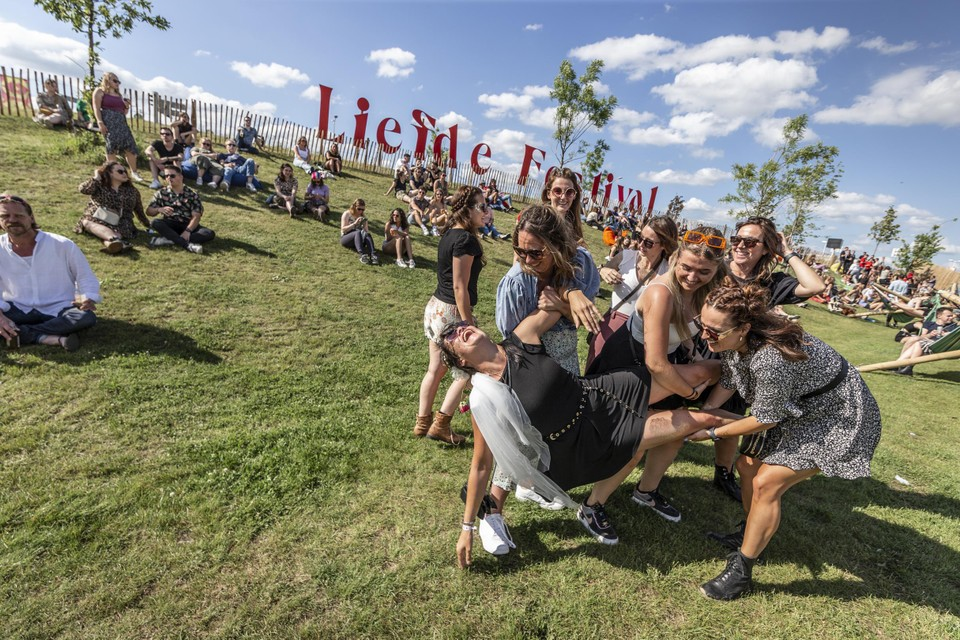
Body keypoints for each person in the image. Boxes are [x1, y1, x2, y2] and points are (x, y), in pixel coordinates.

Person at [445, 315, 725, 567]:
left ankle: (745, 370)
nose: (460, 331)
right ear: (462, 362)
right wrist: (466, 527)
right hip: (579, 440)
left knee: (702, 372)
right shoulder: (485, 398)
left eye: (460, 326)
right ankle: (760, 423)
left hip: (601, 394)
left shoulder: (522, 338)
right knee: (697, 421)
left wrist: (574, 293)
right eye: (452, 337)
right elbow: (481, 466)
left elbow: (557, 297)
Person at [689, 283, 882, 600]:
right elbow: (728, 379)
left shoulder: (768, 358)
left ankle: (741, 571)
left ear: (744, 328)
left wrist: (711, 432)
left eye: (714, 332)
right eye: (703, 326)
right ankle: (750, 534)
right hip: (805, 408)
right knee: (746, 466)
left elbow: (766, 417)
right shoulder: (736, 342)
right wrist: (706, 412)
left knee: (767, 483)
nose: (705, 337)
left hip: (840, 415)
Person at [587, 227, 728, 521]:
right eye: (686, 267)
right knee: (635, 442)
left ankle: (645, 491)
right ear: (675, 257)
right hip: (631, 364)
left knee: (674, 434)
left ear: (716, 269)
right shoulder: (661, 292)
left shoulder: (705, 292)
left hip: (665, 360)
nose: (692, 277)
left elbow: (679, 332)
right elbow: (656, 363)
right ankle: (592, 507)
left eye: (704, 271)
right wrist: (689, 393)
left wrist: (689, 345)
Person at [481, 205, 601, 545]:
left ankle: (531, 485)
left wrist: (563, 301)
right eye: (519, 250)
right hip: (529, 366)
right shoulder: (516, 282)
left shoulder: (583, 266)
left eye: (535, 252)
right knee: (518, 438)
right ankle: (492, 513)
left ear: (559, 247)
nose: (525, 259)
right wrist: (549, 309)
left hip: (566, 365)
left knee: (552, 434)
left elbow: (585, 316)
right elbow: (511, 338)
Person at [414, 186, 486, 445]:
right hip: (451, 312)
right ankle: (441, 424)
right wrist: (468, 323)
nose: (486, 212)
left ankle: (422, 422)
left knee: (435, 369)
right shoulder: (466, 239)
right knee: (467, 371)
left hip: (436, 307)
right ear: (467, 209)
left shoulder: (449, 234)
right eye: (482, 207)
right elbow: (459, 286)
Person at [0, 194, 100, 352]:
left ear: (31, 218)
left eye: (18, 215)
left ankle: (23, 333)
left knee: (85, 317)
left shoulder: (62, 244)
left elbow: (85, 276)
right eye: (5, 216)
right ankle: (48, 337)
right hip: (17, 308)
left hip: (58, 308)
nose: (12, 220)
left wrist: (88, 297)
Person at [591, 216, 679, 367]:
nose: (641, 244)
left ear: (664, 245)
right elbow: (599, 273)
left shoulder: (669, 270)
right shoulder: (625, 256)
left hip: (641, 335)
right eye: (640, 237)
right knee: (592, 374)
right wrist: (604, 270)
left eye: (649, 242)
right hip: (612, 325)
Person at [75, 161, 149, 254]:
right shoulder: (100, 185)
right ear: (109, 173)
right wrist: (97, 177)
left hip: (122, 222)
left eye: (125, 171)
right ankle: (118, 242)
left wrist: (147, 224)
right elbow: (84, 189)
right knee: (86, 222)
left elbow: (139, 210)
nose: (124, 174)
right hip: (99, 217)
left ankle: (114, 243)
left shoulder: (132, 191)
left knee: (113, 231)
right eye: (120, 171)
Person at [145, 166, 215, 254]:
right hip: (170, 224)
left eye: (172, 176)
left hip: (188, 225)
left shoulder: (192, 194)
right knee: (155, 222)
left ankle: (169, 240)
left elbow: (196, 216)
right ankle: (186, 245)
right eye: (166, 176)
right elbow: (148, 211)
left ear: (181, 177)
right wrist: (159, 209)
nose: (169, 178)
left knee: (209, 233)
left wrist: (187, 231)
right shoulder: (161, 192)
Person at [92, 73, 142, 181]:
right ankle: (112, 174)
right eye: (115, 81)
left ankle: (134, 172)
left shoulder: (118, 95)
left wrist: (127, 106)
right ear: (107, 80)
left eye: (118, 82)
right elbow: (96, 108)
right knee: (111, 147)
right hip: (109, 121)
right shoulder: (100, 91)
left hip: (121, 122)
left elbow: (124, 112)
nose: (117, 84)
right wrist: (100, 122)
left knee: (130, 146)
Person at [893, 307, 957, 376]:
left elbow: (953, 337)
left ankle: (902, 365)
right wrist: (930, 334)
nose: (951, 318)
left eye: (951, 316)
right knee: (916, 341)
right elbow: (922, 336)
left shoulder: (953, 326)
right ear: (939, 316)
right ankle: (901, 365)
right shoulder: (928, 324)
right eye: (948, 316)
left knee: (918, 343)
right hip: (927, 342)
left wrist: (945, 334)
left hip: (939, 346)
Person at [541, 168, 585, 244]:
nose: (563, 197)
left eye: (569, 192)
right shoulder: (537, 222)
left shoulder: (574, 229)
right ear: (548, 194)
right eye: (557, 191)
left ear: (574, 195)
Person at [340, 198, 377, 265]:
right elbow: (343, 229)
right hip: (346, 238)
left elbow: (366, 231)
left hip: (358, 240)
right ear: (354, 207)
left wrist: (364, 224)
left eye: (363, 210)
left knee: (367, 234)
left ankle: (373, 255)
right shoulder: (347, 214)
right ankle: (362, 255)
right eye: (359, 209)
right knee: (357, 232)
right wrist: (354, 224)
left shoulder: (362, 216)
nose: (361, 211)